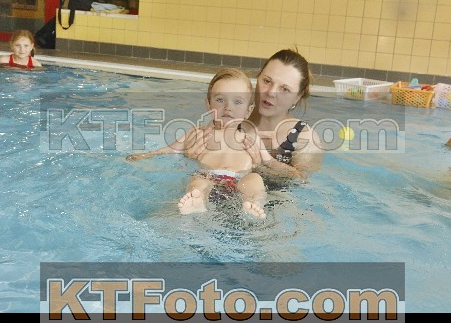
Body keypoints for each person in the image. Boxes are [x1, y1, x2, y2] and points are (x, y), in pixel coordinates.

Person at [128, 68, 267, 218]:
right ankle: (197, 200)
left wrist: (264, 165)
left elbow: (270, 164)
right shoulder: (197, 133)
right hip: (208, 177)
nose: (228, 107)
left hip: (239, 180)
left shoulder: (252, 139)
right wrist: (142, 156)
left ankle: (254, 204)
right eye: (220, 100)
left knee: (254, 179)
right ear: (208, 104)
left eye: (237, 102)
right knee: (198, 181)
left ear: (248, 110)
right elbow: (168, 150)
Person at [184, 49, 323, 179]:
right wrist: (190, 156)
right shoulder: (230, 118)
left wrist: (261, 166)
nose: (271, 92)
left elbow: (302, 183)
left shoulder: (304, 138)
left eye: (285, 89)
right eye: (267, 81)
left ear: (298, 96)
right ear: (257, 78)